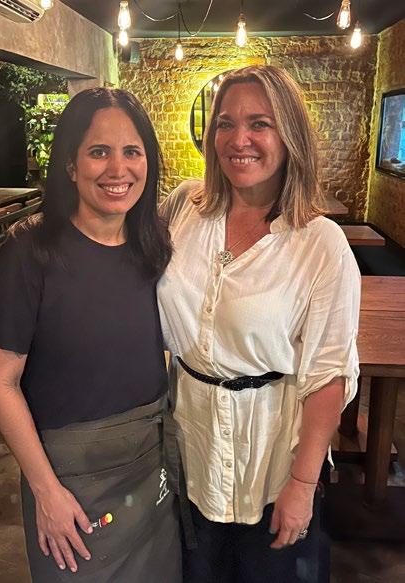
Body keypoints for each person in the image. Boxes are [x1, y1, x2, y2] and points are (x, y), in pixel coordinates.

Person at [157, 65, 360, 582]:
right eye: (225, 123)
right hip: (193, 448)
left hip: (271, 465)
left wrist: (302, 484)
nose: (238, 139)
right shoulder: (185, 208)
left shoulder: (320, 244)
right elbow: (119, 250)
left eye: (259, 124)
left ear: (289, 136)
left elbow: (329, 375)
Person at [0, 88, 181, 583]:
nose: (118, 169)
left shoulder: (153, 244)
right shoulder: (30, 252)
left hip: (152, 468)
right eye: (98, 152)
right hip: (68, 479)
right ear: (70, 165)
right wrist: (45, 491)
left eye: (132, 152)